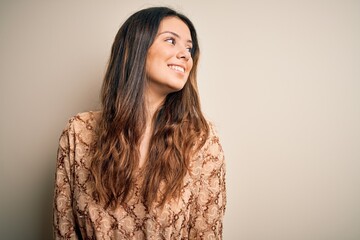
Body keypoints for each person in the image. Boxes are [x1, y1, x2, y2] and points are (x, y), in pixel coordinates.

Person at [53, 6, 226, 239]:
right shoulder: (78, 133)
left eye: (189, 47)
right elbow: (65, 229)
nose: (186, 54)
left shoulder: (201, 140)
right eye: (171, 40)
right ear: (137, 47)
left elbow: (206, 234)